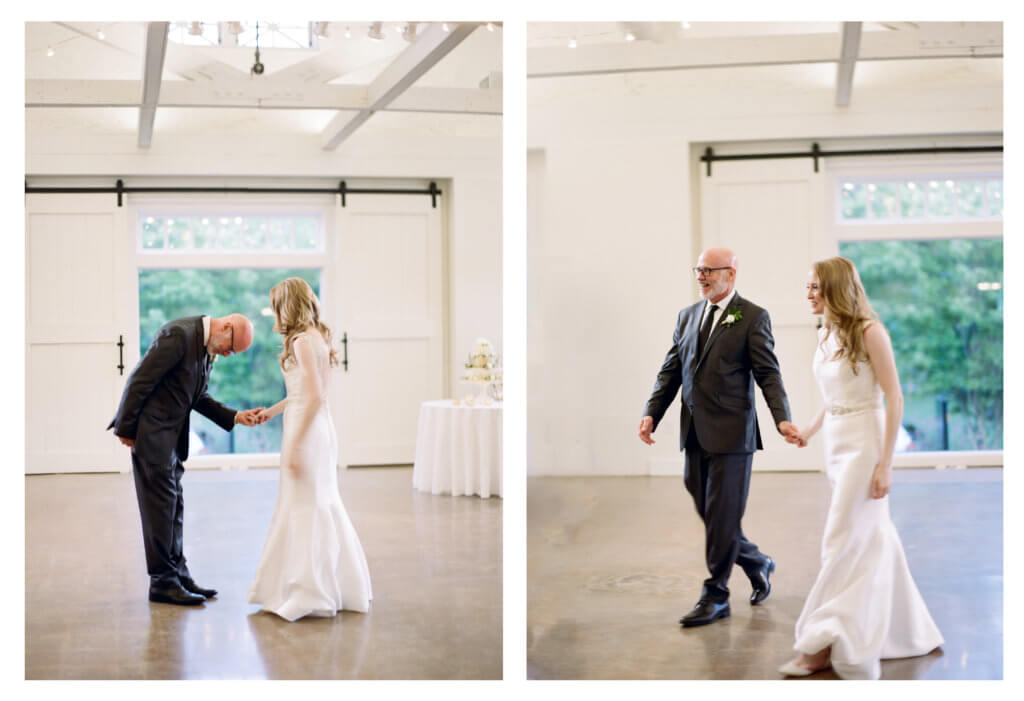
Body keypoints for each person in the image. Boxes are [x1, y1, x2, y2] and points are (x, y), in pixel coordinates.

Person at [778, 257, 943, 679]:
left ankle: (821, 642)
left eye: (815, 287)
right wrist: (809, 432)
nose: (808, 294)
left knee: (840, 539)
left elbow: (895, 397)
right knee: (870, 537)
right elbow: (832, 398)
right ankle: (905, 632)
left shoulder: (872, 332)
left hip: (865, 446)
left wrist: (886, 465)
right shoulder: (826, 333)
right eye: (808, 286)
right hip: (835, 443)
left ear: (835, 288)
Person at [639, 247, 799, 627]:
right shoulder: (687, 316)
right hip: (693, 432)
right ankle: (757, 561)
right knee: (710, 512)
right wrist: (651, 413)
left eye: (709, 270)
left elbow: (769, 374)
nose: (701, 276)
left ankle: (717, 594)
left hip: (732, 435)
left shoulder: (753, 317)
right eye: (698, 269)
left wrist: (782, 419)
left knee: (723, 515)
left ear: (731, 274)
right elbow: (671, 370)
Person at [108, 314, 266, 606]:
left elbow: (197, 396)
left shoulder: (205, 346)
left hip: (171, 439)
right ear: (226, 327)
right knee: (159, 514)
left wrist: (234, 416)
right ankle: (162, 583)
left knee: (173, 509)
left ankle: (178, 575)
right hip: (152, 436)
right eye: (231, 348)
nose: (228, 355)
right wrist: (127, 428)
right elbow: (139, 380)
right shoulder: (178, 335)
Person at [247, 278, 372, 621]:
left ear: (286, 306)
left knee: (306, 506)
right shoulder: (318, 337)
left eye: (276, 306)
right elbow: (306, 393)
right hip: (317, 426)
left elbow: (314, 397)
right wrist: (272, 411)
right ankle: (336, 585)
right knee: (317, 502)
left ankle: (308, 592)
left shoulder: (301, 341)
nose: (273, 312)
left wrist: (297, 445)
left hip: (308, 430)